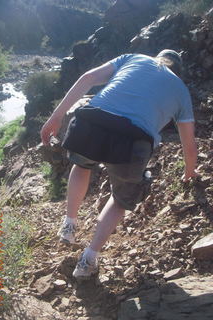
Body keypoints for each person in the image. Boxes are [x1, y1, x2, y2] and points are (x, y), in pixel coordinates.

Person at [41, 49, 198, 279]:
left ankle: (69, 225)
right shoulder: (181, 91)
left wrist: (56, 117)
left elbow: (88, 79)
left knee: (82, 166)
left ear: (157, 58)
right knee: (120, 199)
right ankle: (87, 261)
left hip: (92, 122)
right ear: (178, 70)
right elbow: (189, 145)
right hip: (133, 141)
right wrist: (189, 173)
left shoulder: (135, 58)